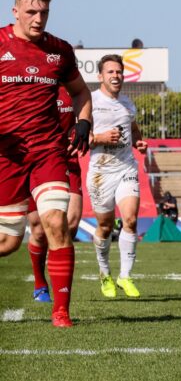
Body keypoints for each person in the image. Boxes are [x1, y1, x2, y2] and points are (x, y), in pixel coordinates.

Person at [0, 0, 92, 327]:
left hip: (47, 152)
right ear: (15, 11)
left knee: (56, 223)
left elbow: (81, 93)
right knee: (7, 242)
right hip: (7, 155)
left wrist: (83, 122)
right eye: (31, 12)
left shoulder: (60, 50)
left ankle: (62, 312)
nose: (38, 19)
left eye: (44, 12)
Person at [88, 54, 148, 299]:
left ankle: (125, 276)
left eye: (119, 72)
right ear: (100, 76)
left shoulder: (127, 103)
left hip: (126, 167)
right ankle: (105, 274)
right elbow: (76, 136)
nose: (116, 76)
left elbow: (132, 128)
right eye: (110, 72)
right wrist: (100, 138)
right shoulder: (89, 102)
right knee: (104, 226)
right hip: (101, 172)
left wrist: (138, 142)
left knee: (131, 219)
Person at [26, 86, 85, 303]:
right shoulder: (29, 84)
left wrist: (88, 130)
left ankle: (61, 300)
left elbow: (86, 113)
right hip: (36, 160)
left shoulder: (73, 88)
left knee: (70, 222)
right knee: (40, 230)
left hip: (67, 158)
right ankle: (40, 283)